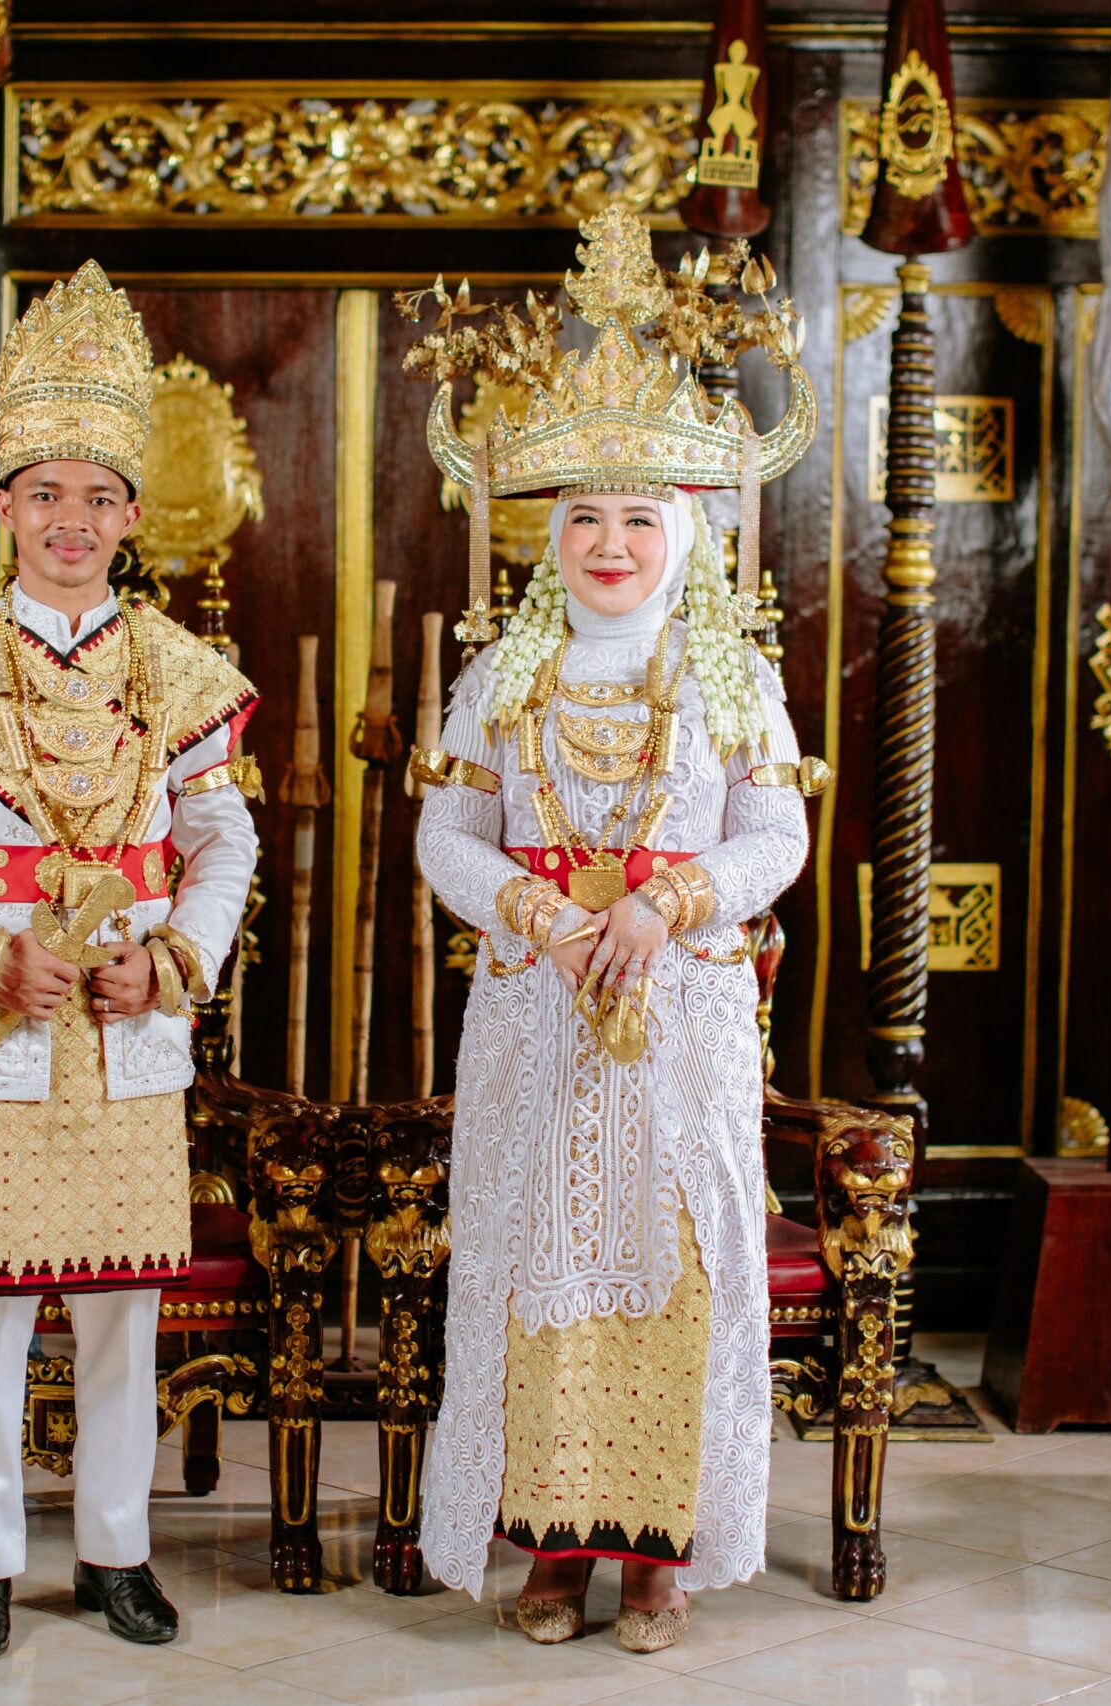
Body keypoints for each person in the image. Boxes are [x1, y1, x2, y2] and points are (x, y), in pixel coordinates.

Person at [0, 261, 259, 1659]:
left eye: (99, 496)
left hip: (128, 1027)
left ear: (132, 515)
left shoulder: (183, 672)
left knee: (125, 1302)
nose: (72, 520)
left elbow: (225, 841)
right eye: (45, 493)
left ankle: (118, 1552)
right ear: (3, 504)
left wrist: (174, 957)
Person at [408, 204, 820, 1652]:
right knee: (540, 1266)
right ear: (551, 534)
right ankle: (552, 1549)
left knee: (677, 1273)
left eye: (640, 517)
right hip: (536, 1011)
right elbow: (443, 837)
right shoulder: (504, 678)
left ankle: (660, 1560)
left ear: (683, 531)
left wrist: (664, 903)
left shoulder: (732, 675)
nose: (610, 542)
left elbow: (779, 838)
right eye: (585, 516)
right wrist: (532, 904)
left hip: (681, 1016)